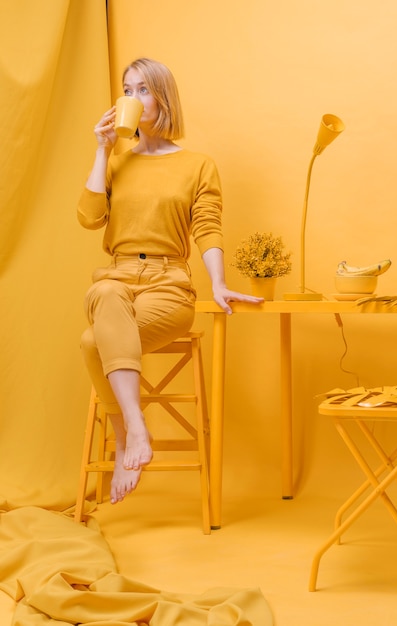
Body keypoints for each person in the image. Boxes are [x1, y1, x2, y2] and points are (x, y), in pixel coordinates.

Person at [78, 57, 263, 505]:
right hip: (117, 278)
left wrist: (218, 283)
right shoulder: (117, 163)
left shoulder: (198, 165)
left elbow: (208, 226)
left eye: (143, 89)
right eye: (127, 89)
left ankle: (124, 437)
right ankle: (135, 430)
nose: (133, 99)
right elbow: (88, 218)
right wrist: (103, 150)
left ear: (163, 98)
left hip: (168, 285)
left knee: (92, 342)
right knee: (104, 292)